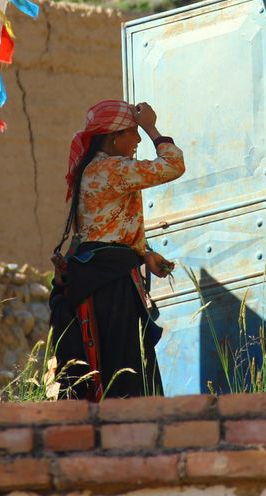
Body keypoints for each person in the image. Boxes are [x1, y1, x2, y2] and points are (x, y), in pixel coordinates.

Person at [48, 100, 184, 400]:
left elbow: (104, 229)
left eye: (139, 132)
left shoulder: (94, 170)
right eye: (132, 133)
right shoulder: (112, 169)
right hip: (110, 285)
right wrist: (152, 127)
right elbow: (173, 166)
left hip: (102, 275)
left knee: (114, 360)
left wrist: (144, 254)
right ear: (113, 137)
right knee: (124, 364)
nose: (137, 140)